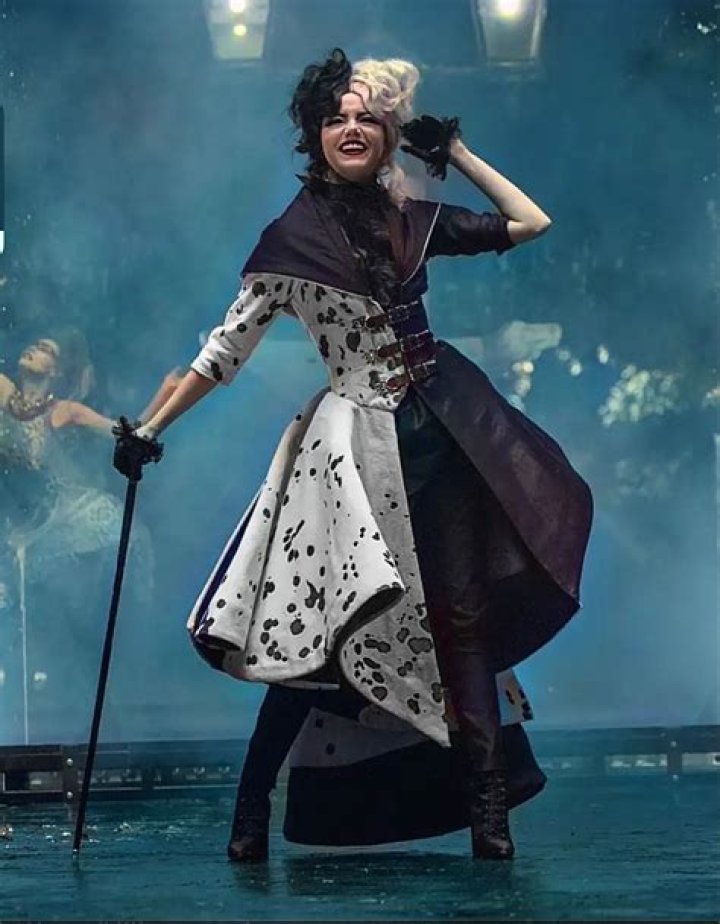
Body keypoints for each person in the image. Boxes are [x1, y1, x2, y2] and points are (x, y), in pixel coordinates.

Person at [114, 49, 592, 861]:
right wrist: (150, 429)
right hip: (351, 452)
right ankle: (250, 812)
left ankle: (491, 822)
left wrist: (458, 154)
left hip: (440, 433)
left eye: (368, 117)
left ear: (389, 136)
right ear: (315, 134)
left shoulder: (412, 219)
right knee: (326, 635)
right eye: (336, 118)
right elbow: (222, 353)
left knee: (461, 624)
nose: (351, 129)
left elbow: (530, 222)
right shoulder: (289, 240)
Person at [0, 328, 178, 739]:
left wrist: (167, 393)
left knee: (71, 627)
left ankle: (99, 714)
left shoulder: (66, 410)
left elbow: (129, 433)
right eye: (35, 343)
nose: (35, 347)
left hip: (69, 521)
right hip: (19, 523)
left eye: (47, 349)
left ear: (56, 370)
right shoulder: (4, 391)